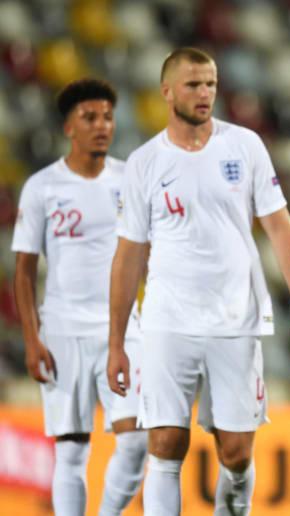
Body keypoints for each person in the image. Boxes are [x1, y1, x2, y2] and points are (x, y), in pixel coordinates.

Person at [106, 47, 290, 516]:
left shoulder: (244, 146)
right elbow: (128, 256)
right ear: (167, 91)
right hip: (168, 319)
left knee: (236, 452)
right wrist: (116, 342)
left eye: (211, 84)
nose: (205, 93)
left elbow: (280, 229)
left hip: (235, 318)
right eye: (194, 84)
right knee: (164, 443)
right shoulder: (144, 162)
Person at [12, 78, 148, 516]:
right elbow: (24, 270)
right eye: (90, 117)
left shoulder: (130, 180)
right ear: (69, 127)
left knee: (136, 441)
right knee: (70, 451)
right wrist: (32, 339)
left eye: (107, 117)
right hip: (63, 330)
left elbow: (150, 254)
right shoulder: (42, 187)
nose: (102, 125)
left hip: (123, 331)